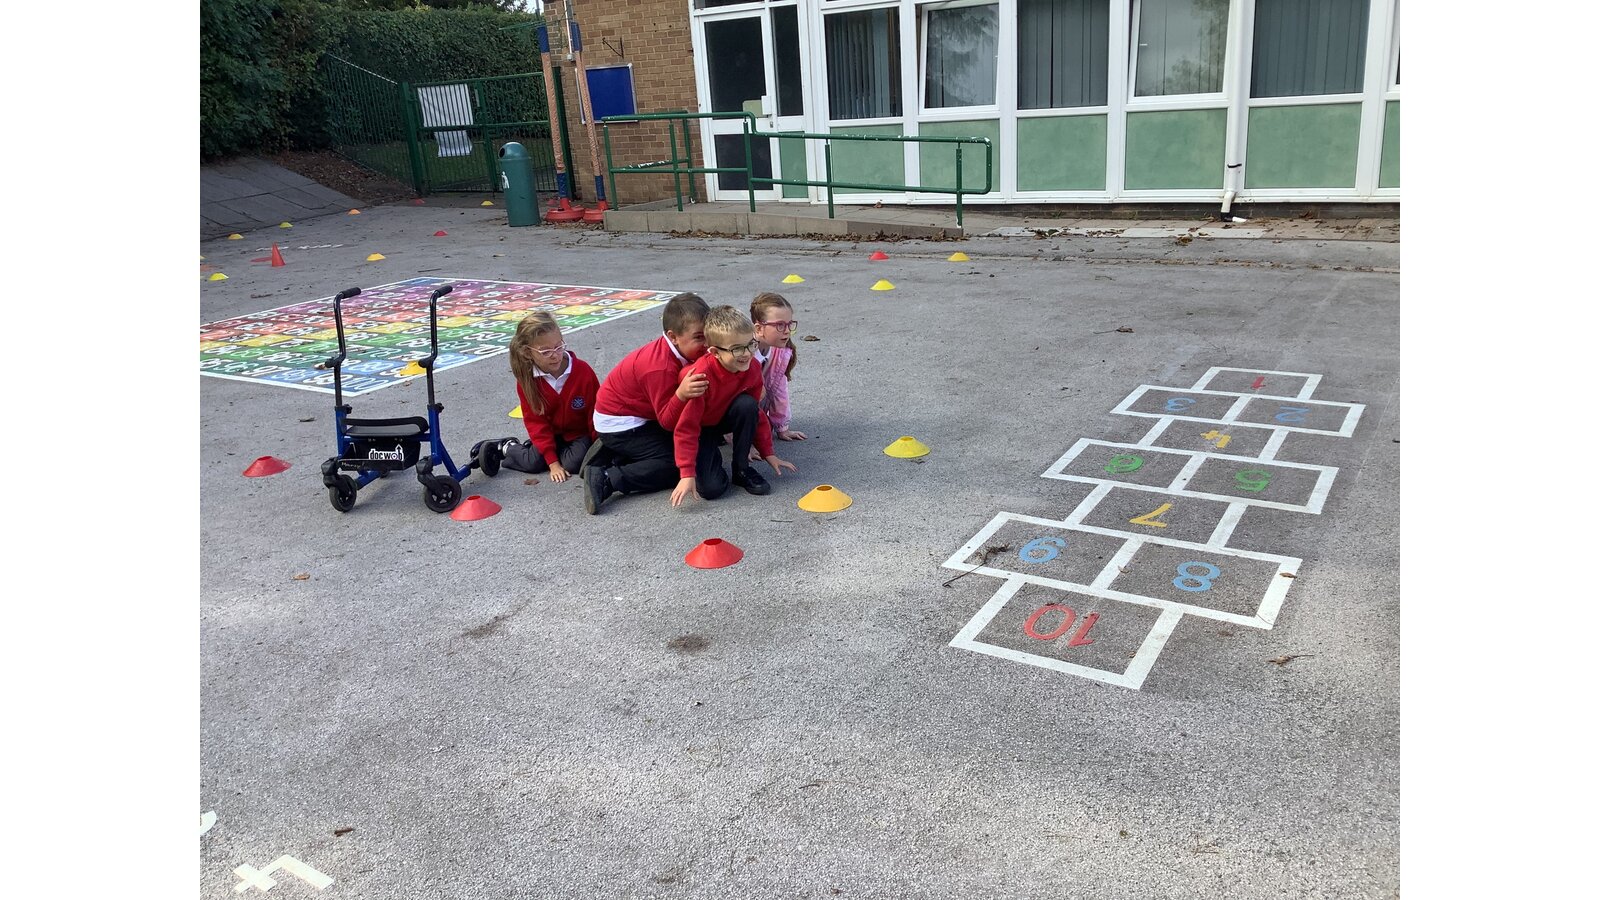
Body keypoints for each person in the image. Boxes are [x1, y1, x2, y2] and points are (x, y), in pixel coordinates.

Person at [581, 293, 713, 514]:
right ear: (673, 336)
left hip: (637, 413)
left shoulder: (677, 350)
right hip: (620, 424)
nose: (707, 344)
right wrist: (681, 395)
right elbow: (667, 421)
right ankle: (607, 478)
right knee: (677, 465)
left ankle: (615, 453)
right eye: (699, 337)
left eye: (708, 336)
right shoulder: (659, 367)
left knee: (689, 450)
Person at [669, 305, 796, 507]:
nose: (746, 354)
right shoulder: (699, 378)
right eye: (736, 348)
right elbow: (687, 428)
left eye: (750, 345)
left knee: (747, 405)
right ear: (714, 352)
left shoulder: (752, 367)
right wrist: (687, 473)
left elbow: (756, 413)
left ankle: (741, 469)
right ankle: (704, 459)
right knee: (712, 489)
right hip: (701, 428)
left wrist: (768, 452)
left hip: (722, 417)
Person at [478, 312, 598, 482]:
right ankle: (507, 448)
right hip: (549, 433)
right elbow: (536, 423)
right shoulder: (528, 380)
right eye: (545, 351)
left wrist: (600, 445)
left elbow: (595, 412)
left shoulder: (582, 371)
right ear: (528, 353)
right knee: (533, 463)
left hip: (577, 433)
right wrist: (553, 463)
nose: (555, 355)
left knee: (576, 463)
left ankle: (550, 452)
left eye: (559, 347)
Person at [750, 292, 806, 444]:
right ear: (759, 328)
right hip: (726, 415)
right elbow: (731, 400)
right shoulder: (743, 354)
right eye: (780, 325)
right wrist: (742, 444)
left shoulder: (779, 352)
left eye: (789, 324)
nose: (787, 330)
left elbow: (779, 391)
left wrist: (782, 428)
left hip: (754, 409)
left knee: (766, 428)